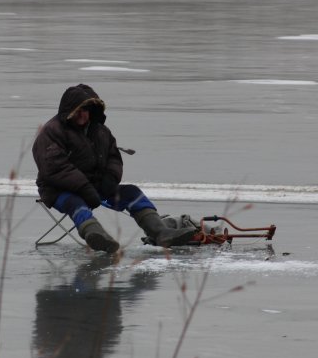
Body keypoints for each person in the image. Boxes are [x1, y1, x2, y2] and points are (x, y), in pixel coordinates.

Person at [32, 84, 196, 253]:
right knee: (76, 203)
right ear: (69, 111)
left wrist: (110, 178)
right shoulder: (52, 132)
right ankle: (96, 235)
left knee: (132, 193)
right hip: (58, 190)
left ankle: (160, 232)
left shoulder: (101, 131)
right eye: (78, 110)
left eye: (86, 110)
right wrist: (84, 188)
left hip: (94, 186)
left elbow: (113, 157)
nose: (83, 114)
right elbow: (54, 168)